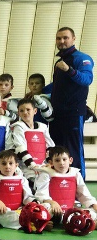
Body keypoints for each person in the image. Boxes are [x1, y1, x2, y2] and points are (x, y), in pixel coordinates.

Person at [48, 27, 94, 179]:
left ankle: (80, 185)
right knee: (56, 150)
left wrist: (69, 70)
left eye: (65, 38)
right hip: (57, 114)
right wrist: (38, 91)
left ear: (73, 39)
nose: (61, 41)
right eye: (58, 38)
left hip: (73, 113)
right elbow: (57, 86)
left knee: (74, 150)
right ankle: (59, 183)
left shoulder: (82, 58)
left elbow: (87, 79)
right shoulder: (59, 62)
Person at [34, 146, 97, 224]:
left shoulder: (75, 174)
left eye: (64, 159)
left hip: (70, 210)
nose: (61, 163)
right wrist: (52, 202)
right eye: (57, 160)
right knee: (44, 208)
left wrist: (94, 204)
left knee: (93, 213)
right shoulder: (46, 174)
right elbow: (41, 194)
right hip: (53, 209)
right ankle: (46, 222)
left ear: (70, 160)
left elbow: (84, 194)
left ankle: (75, 221)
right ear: (51, 162)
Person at [0, 150, 36, 230]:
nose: (7, 166)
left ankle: (35, 221)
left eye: (10, 163)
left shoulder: (22, 179)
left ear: (16, 165)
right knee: (10, 216)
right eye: (3, 163)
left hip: (18, 210)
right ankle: (33, 224)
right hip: (2, 211)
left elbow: (27, 197)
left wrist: (34, 205)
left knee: (43, 207)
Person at [7, 98, 55, 184]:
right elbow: (20, 148)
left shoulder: (43, 127)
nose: (25, 112)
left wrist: (50, 163)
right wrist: (33, 166)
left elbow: (50, 147)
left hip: (43, 165)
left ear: (35, 111)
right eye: (21, 111)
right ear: (18, 113)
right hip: (26, 167)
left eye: (28, 109)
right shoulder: (18, 127)